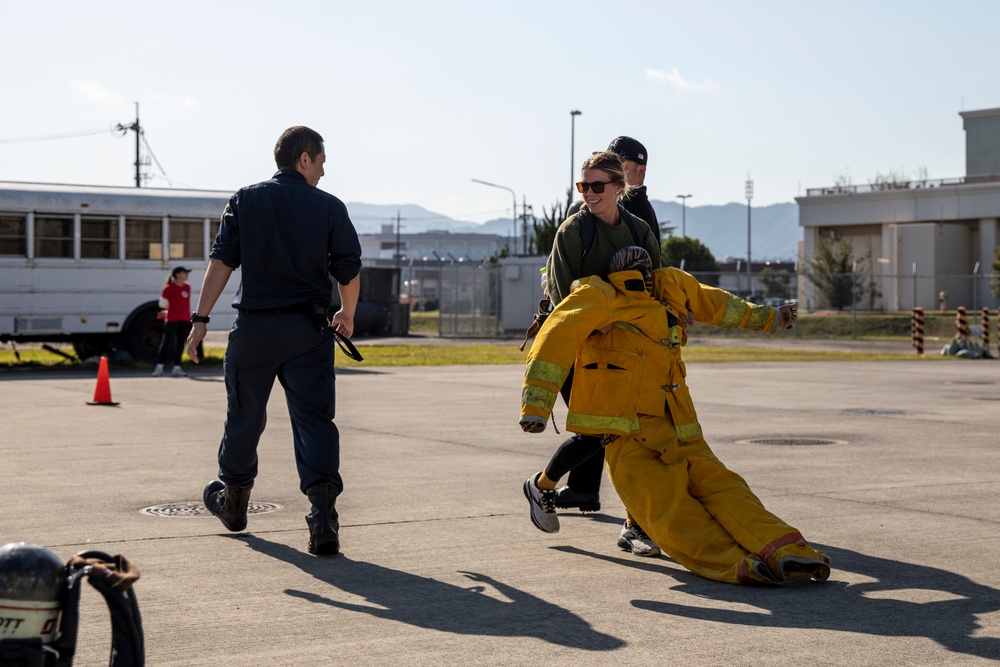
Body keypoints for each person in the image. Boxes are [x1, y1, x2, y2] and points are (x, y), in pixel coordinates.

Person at [521, 247, 831, 586]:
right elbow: (720, 305)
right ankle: (786, 550)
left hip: (637, 434)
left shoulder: (607, 295)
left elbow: (554, 337)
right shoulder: (669, 290)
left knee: (672, 513)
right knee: (727, 493)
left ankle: (739, 564)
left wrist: (535, 407)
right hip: (677, 428)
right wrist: (770, 317)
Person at [184, 125, 362, 557]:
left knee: (244, 418)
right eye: (321, 161)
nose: (323, 170)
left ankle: (235, 505)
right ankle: (323, 521)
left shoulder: (246, 199)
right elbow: (348, 268)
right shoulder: (329, 207)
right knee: (315, 422)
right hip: (309, 333)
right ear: (304, 158)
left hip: (254, 332)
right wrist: (347, 313)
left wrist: (201, 319)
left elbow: (222, 262)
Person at [539, 150, 663, 557]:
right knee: (599, 432)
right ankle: (541, 486)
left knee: (631, 436)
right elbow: (561, 297)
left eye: (597, 186)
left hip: (628, 349)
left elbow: (655, 288)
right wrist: (596, 323)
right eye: (583, 186)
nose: (589, 194)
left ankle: (636, 525)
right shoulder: (573, 232)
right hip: (578, 348)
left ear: (618, 187)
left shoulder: (639, 230)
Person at [567, 136, 660, 244]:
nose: (609, 168)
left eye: (618, 164)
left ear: (640, 171)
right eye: (608, 162)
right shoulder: (616, 203)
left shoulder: (637, 210)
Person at [152, 266, 193, 377]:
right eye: (185, 273)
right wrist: (169, 309)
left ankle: (177, 367)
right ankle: (159, 367)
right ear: (178, 274)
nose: (187, 275)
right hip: (172, 319)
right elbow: (162, 304)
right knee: (166, 343)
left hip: (185, 319)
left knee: (180, 344)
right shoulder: (168, 288)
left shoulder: (187, 287)